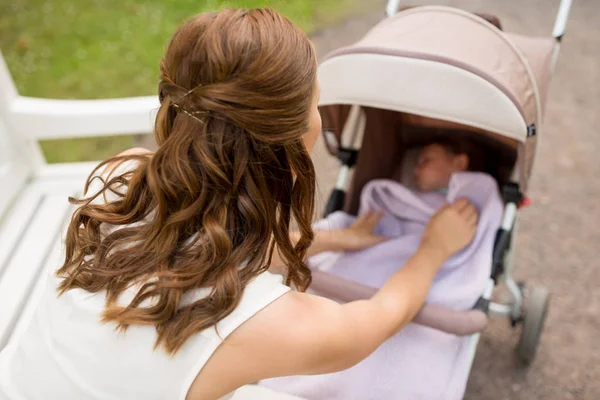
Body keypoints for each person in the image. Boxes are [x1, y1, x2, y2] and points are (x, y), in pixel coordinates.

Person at [0, 8, 478, 400]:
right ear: (295, 137)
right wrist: (433, 249)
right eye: (316, 101)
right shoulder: (261, 324)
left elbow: (212, 245)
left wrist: (336, 238)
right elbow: (374, 321)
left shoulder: (120, 175)